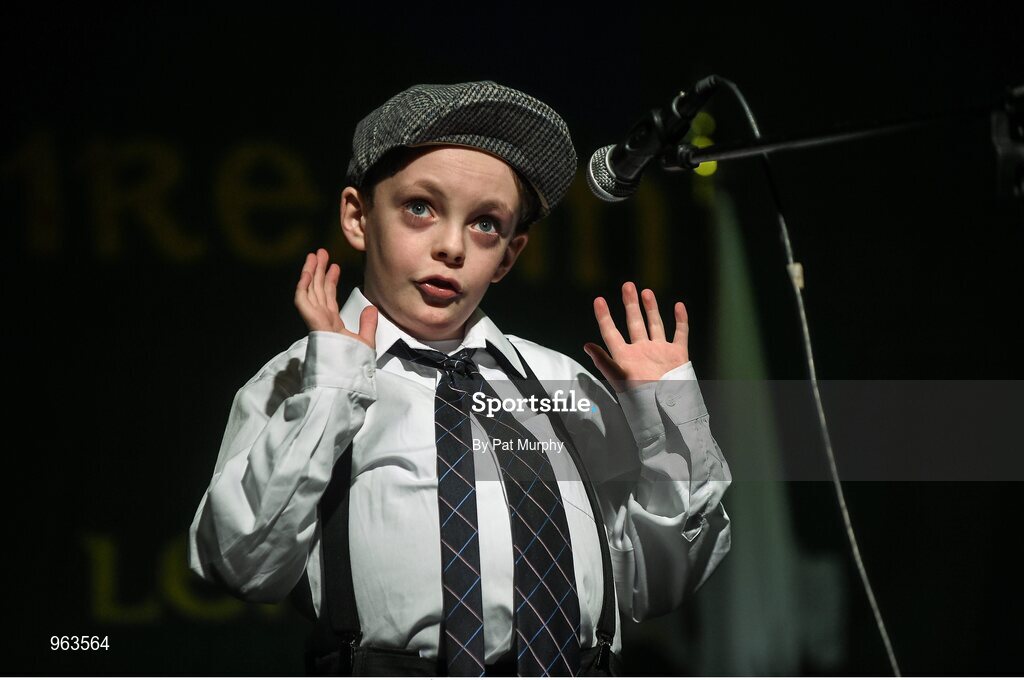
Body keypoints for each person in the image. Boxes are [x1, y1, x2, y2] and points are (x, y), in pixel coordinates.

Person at [188, 80, 732, 677]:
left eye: (486, 225)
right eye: (420, 208)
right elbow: (241, 566)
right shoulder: (302, 378)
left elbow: (657, 587)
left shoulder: (560, 383)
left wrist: (671, 426)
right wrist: (329, 392)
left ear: (510, 254)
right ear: (357, 216)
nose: (451, 246)